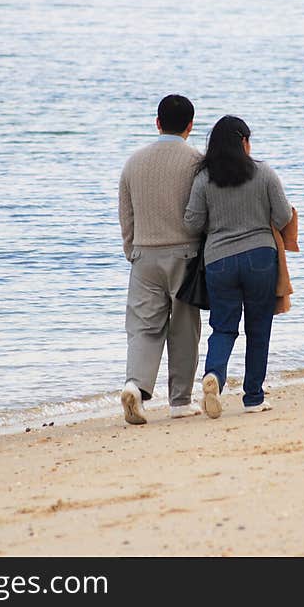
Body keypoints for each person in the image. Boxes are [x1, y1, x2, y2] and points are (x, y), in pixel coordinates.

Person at [183, 115, 293, 418]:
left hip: (218, 260)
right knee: (258, 329)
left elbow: (192, 222)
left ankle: (214, 376)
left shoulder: (204, 179)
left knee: (223, 327)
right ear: (244, 142)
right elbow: (283, 216)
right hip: (260, 257)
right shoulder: (264, 173)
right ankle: (253, 397)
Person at [118, 94, 204, 425]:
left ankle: (135, 387)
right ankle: (180, 400)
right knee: (184, 328)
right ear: (190, 126)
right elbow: (203, 211)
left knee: (143, 328)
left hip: (144, 255)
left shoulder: (134, 162)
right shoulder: (197, 160)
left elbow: (126, 214)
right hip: (185, 253)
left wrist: (133, 251)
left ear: (157, 123)